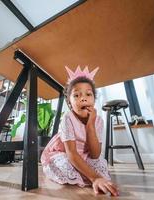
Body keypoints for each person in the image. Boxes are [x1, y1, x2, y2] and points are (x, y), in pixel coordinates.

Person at [41, 66, 119, 196]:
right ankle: (86, 176)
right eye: (76, 95)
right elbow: (72, 154)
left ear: (94, 100)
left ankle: (86, 174)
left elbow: (94, 154)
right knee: (65, 164)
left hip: (85, 155)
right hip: (64, 153)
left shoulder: (98, 120)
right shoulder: (67, 118)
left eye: (88, 94)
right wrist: (95, 178)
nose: (83, 98)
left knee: (100, 165)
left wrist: (90, 125)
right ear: (70, 103)